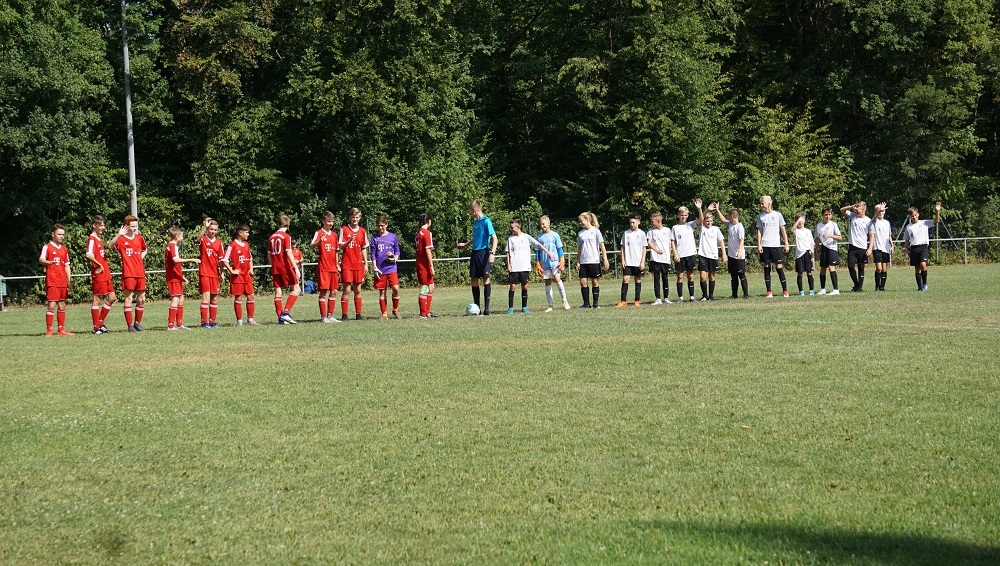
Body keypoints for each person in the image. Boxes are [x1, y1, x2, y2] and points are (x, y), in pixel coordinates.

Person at [504, 218, 556, 313]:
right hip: (514, 266)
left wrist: (548, 252)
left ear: (518, 227)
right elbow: (507, 252)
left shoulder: (526, 237)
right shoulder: (510, 238)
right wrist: (508, 264)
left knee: (524, 286)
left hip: (524, 266)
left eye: (512, 227)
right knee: (513, 286)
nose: (511, 229)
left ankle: (524, 307)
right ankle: (510, 308)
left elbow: (538, 245)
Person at [457, 200, 498, 315]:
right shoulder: (476, 222)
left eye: (470, 211)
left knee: (485, 278)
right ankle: (477, 308)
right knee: (474, 279)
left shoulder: (486, 221)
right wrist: (465, 244)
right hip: (474, 253)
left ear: (474, 210)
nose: (470, 213)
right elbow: (476, 238)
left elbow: (495, 238)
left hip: (484, 253)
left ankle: (487, 309)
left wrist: (492, 253)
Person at [109, 215, 148, 332]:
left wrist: (140, 257)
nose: (134, 228)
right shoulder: (121, 239)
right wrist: (118, 234)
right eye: (132, 226)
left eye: (136, 226)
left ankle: (137, 323)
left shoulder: (139, 238)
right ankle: (130, 325)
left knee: (142, 299)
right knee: (129, 298)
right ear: (126, 226)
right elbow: (110, 246)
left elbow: (145, 249)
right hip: (129, 273)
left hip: (140, 272)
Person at [39, 224, 74, 336]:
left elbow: (67, 265)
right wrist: (48, 262)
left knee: (62, 304)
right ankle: (49, 330)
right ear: (53, 234)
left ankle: (61, 329)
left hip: (62, 281)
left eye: (63, 234)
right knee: (52, 305)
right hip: (52, 280)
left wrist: (69, 280)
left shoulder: (64, 249)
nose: (61, 236)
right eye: (59, 234)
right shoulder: (47, 247)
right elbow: (41, 259)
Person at [164, 226, 201, 330]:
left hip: (175, 276)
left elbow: (172, 265)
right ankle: (171, 325)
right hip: (173, 277)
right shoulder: (173, 246)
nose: (182, 237)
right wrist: (192, 259)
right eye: (182, 235)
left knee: (181, 298)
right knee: (176, 298)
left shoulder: (170, 246)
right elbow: (175, 260)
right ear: (177, 236)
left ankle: (179, 324)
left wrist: (181, 276)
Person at [222, 224, 259, 326]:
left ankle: (251, 320)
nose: (248, 234)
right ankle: (239, 321)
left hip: (247, 276)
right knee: (238, 298)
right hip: (238, 277)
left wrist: (251, 269)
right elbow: (225, 260)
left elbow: (250, 258)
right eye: (246, 232)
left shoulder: (246, 244)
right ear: (240, 233)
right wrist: (232, 271)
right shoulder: (232, 245)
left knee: (251, 296)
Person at [85, 215, 115, 334]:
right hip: (98, 273)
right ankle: (96, 327)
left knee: (112, 298)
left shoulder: (98, 239)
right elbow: (89, 254)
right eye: (101, 225)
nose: (103, 227)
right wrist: (99, 264)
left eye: (103, 225)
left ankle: (100, 322)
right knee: (96, 299)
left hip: (105, 273)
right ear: (94, 225)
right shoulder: (92, 239)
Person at [338, 207, 369, 320]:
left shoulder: (362, 231)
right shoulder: (344, 229)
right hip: (347, 264)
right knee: (346, 290)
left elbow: (363, 248)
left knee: (358, 290)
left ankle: (358, 314)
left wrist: (366, 263)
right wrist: (349, 240)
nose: (354, 219)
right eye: (353, 217)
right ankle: (344, 315)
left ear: (359, 218)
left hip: (358, 264)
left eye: (357, 217)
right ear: (349, 217)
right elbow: (341, 246)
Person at [756, 195, 790, 298]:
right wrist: (759, 244)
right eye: (761, 203)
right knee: (766, 267)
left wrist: (786, 243)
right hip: (765, 245)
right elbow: (759, 231)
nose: (761, 205)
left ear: (769, 203)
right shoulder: (761, 216)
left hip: (775, 245)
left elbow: (783, 230)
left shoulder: (778, 215)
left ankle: (785, 291)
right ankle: (769, 291)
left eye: (763, 203)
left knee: (779, 267)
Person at [269, 214, 301, 324]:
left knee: (278, 291)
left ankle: (280, 319)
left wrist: (273, 265)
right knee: (296, 289)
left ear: (278, 224)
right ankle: (285, 313)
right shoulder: (286, 236)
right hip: (285, 267)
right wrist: (296, 268)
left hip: (275, 267)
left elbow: (269, 254)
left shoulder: (271, 237)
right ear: (288, 224)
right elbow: (288, 252)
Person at [535, 215, 571, 311]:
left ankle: (564, 301)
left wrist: (562, 260)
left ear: (548, 223)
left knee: (557, 279)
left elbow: (559, 249)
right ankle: (550, 305)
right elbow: (537, 252)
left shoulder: (555, 235)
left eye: (543, 224)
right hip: (545, 263)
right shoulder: (539, 237)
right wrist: (538, 263)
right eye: (540, 224)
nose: (542, 226)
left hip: (554, 262)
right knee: (547, 282)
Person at [310, 211, 341, 323]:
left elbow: (336, 251)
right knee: (323, 292)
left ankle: (330, 315)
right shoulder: (319, 233)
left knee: (334, 291)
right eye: (328, 221)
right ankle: (323, 317)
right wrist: (319, 241)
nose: (331, 223)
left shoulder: (334, 235)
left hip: (333, 267)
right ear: (323, 221)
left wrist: (337, 264)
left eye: (332, 221)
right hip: (323, 267)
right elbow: (311, 246)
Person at [903, 202, 942, 291]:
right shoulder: (909, 227)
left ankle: (924, 283)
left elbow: (937, 220)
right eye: (912, 216)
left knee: (923, 264)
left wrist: (937, 211)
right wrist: (906, 251)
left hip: (923, 247)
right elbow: (907, 240)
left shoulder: (924, 223)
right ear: (910, 217)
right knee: (917, 268)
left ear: (918, 214)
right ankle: (919, 286)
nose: (914, 217)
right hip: (914, 248)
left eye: (915, 215)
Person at [671, 200, 704, 302]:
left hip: (690, 253)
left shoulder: (690, 225)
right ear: (678, 215)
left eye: (685, 215)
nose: (684, 217)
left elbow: (701, 220)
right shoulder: (675, 228)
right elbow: (672, 242)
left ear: (688, 215)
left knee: (690, 276)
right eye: (682, 215)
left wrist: (699, 208)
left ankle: (692, 297)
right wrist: (675, 254)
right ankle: (680, 298)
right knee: (680, 276)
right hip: (680, 255)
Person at [712, 205, 748, 299]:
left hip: (738, 255)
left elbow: (742, 240)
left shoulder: (740, 227)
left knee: (741, 275)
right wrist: (717, 210)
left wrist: (740, 252)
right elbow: (723, 220)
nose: (728, 218)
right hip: (731, 255)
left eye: (729, 216)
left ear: (732, 216)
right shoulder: (730, 225)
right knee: (733, 275)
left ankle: (746, 294)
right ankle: (734, 295)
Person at [575, 212, 609, 308]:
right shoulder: (580, 233)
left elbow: (602, 246)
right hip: (583, 261)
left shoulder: (596, 231)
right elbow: (579, 248)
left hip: (594, 261)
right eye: (579, 221)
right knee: (583, 282)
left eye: (581, 221)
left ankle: (595, 304)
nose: (580, 223)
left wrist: (605, 259)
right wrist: (578, 261)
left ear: (588, 220)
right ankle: (586, 304)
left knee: (595, 282)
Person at [371, 215, 402, 320]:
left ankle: (395, 310)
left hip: (391, 267)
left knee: (395, 288)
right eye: (378, 226)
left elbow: (397, 250)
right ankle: (384, 314)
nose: (380, 228)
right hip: (380, 269)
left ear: (386, 224)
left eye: (382, 225)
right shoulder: (375, 238)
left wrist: (395, 258)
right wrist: (374, 267)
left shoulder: (393, 236)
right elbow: (373, 254)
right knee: (382, 291)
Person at [196, 218, 224, 327]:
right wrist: (205, 227)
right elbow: (198, 239)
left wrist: (222, 272)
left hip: (215, 273)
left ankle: (212, 322)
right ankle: (204, 322)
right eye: (211, 229)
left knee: (214, 298)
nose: (213, 231)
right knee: (206, 297)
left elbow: (221, 260)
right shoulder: (204, 239)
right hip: (205, 272)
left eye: (215, 230)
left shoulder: (219, 243)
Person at [840, 201, 871, 292]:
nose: (856, 209)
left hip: (862, 247)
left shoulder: (868, 221)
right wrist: (851, 206)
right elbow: (842, 210)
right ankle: (856, 284)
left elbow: (872, 235)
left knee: (861, 267)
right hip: (852, 246)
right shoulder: (853, 216)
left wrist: (870, 248)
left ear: (863, 209)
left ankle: (860, 287)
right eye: (856, 207)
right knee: (850, 266)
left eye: (858, 207)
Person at [696, 207, 727, 300]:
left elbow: (721, 241)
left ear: (712, 221)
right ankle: (704, 295)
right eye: (707, 221)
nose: (708, 222)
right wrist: (707, 210)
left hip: (713, 255)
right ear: (704, 221)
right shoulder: (701, 228)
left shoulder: (716, 229)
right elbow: (700, 218)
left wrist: (724, 254)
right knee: (702, 276)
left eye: (710, 221)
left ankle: (711, 296)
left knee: (711, 276)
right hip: (703, 255)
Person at [618, 214, 647, 307]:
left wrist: (642, 262)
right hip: (628, 262)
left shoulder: (642, 234)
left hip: (638, 262)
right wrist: (623, 260)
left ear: (638, 222)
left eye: (633, 222)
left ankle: (637, 300)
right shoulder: (626, 233)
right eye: (630, 222)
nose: (631, 224)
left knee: (637, 280)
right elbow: (622, 248)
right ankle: (623, 301)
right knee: (625, 279)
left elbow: (644, 248)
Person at [646, 212, 673, 304]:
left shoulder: (667, 230)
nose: (651, 223)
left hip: (665, 258)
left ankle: (666, 298)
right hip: (655, 258)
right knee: (656, 278)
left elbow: (669, 244)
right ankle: (658, 299)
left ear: (658, 221)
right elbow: (649, 243)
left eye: (652, 221)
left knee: (665, 278)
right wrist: (656, 250)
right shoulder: (651, 231)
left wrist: (669, 257)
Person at [814, 207, 842, 295]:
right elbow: (817, 238)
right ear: (822, 215)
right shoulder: (819, 225)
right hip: (824, 247)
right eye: (826, 215)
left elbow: (840, 237)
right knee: (822, 269)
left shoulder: (833, 224)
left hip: (832, 248)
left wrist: (830, 235)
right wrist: (816, 250)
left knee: (831, 267)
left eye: (829, 214)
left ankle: (836, 289)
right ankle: (823, 289)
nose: (827, 216)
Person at [415, 213, 436, 319]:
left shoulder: (418, 233)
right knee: (424, 287)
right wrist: (431, 266)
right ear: (429, 221)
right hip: (424, 264)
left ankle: (427, 312)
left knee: (431, 287)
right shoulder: (427, 233)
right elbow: (427, 250)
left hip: (420, 262)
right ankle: (422, 314)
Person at [868, 203, 892, 291]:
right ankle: (877, 285)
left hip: (886, 248)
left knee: (884, 268)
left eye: (883, 211)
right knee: (879, 268)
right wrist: (879, 210)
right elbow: (874, 218)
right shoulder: (875, 221)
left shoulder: (887, 223)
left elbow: (889, 235)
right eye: (879, 211)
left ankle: (882, 287)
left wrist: (892, 245)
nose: (881, 213)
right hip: (877, 247)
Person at [792, 214, 816, 296]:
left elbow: (812, 244)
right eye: (799, 221)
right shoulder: (796, 231)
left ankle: (811, 290)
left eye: (802, 220)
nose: (800, 222)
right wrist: (797, 221)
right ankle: (801, 291)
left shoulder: (808, 231)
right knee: (800, 273)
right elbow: (792, 230)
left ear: (804, 221)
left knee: (809, 272)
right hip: (799, 254)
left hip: (807, 253)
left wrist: (812, 256)